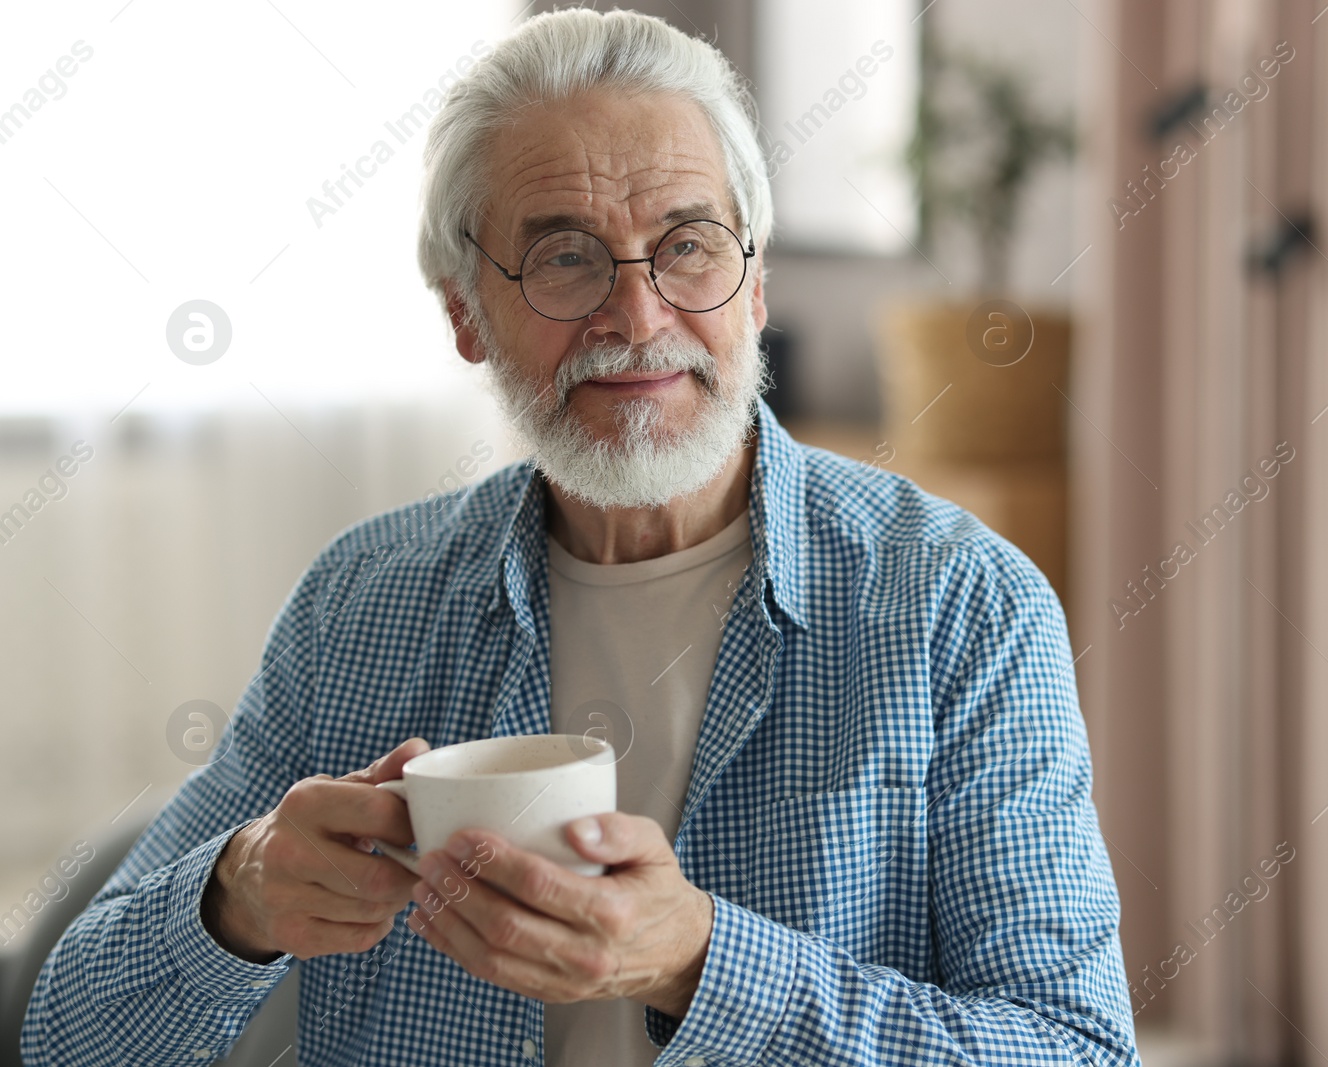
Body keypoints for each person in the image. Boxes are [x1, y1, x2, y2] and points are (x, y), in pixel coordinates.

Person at [22, 9, 1138, 1065]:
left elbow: (1073, 1045)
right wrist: (239, 899)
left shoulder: (959, 603)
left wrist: (705, 963)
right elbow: (69, 1031)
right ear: (465, 312)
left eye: (689, 245)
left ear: (754, 281)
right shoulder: (359, 602)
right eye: (564, 258)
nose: (639, 315)